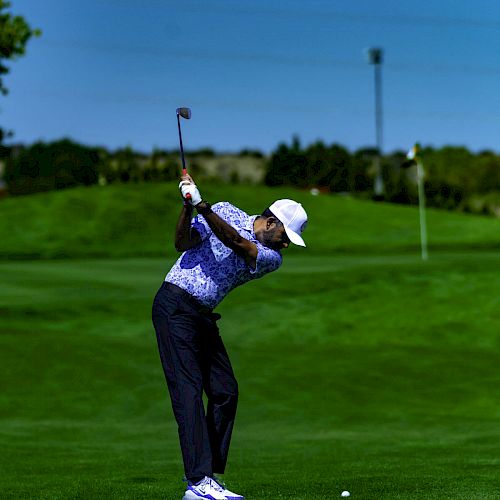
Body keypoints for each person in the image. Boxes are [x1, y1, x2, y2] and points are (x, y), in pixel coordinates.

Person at [152, 173, 308, 500]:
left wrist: (203, 207)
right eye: (285, 237)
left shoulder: (270, 258)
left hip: (202, 315)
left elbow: (237, 243)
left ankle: (208, 477)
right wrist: (187, 207)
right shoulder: (226, 210)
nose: (285, 245)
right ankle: (198, 482)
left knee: (225, 391)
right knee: (189, 391)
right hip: (175, 305)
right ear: (271, 223)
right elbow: (182, 243)